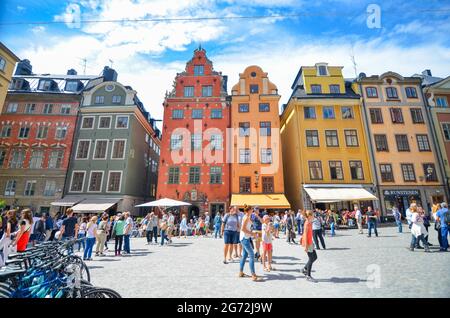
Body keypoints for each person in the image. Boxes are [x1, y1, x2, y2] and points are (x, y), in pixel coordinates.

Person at [239, 205, 260, 281]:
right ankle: (253, 274)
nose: (253, 210)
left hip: (246, 238)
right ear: (249, 210)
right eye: (252, 209)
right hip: (244, 238)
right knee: (251, 255)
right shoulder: (246, 217)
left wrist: (252, 233)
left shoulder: (248, 217)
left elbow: (247, 228)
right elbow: (243, 229)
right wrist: (252, 234)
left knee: (245, 255)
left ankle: (241, 272)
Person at [301, 210, 318, 282]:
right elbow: (305, 235)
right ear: (310, 216)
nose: (314, 216)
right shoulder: (307, 223)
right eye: (313, 215)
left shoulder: (310, 222)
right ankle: (308, 275)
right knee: (311, 258)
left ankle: (304, 269)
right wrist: (306, 246)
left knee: (315, 257)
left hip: (310, 242)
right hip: (307, 243)